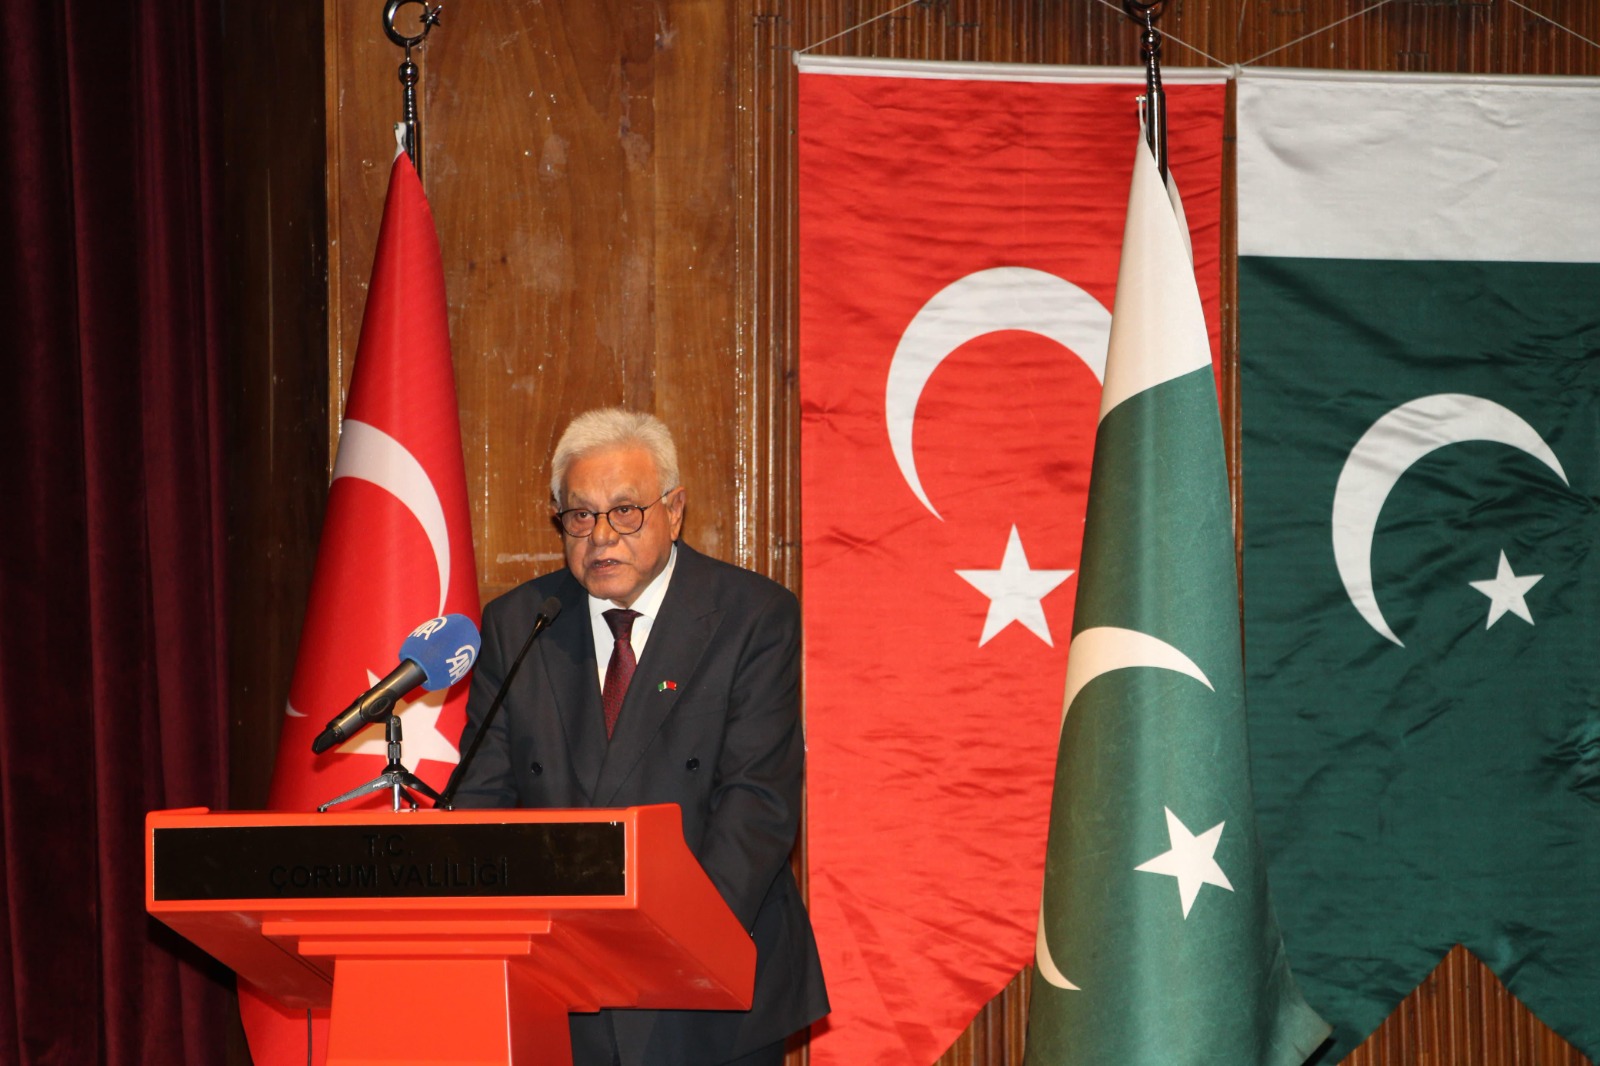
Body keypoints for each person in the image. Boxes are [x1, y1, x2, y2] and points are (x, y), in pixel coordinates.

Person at [451, 407, 828, 1066]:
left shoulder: (751, 616)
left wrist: (665, 950)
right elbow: (482, 801)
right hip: (560, 983)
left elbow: (756, 809)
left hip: (708, 986)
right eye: (580, 515)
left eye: (625, 511)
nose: (601, 537)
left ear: (674, 511)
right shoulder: (520, 624)